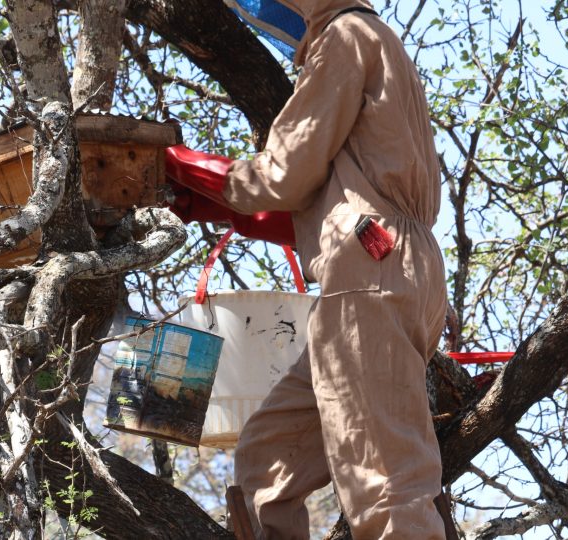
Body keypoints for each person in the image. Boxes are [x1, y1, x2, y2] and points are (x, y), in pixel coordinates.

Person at [165, 1, 457, 538]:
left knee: (385, 486)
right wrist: (220, 203)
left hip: (372, 272)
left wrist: (194, 170)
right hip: (379, 267)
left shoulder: (346, 36)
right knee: (268, 460)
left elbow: (285, 172)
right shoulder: (369, 43)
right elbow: (318, 206)